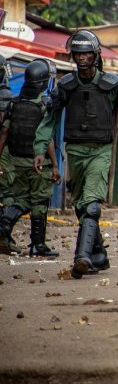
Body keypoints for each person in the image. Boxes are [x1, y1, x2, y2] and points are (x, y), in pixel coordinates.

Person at [33, 30, 118, 279]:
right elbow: (50, 120)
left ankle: (82, 258)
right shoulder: (65, 86)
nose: (82, 58)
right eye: (78, 53)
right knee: (81, 207)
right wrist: (39, 150)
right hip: (74, 151)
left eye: (87, 53)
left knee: (92, 205)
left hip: (100, 150)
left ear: (96, 55)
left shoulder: (112, 86)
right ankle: (99, 256)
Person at [0, 59, 61, 256]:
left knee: (21, 199)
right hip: (38, 162)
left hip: (16, 161)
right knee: (39, 201)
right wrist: (54, 166)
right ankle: (37, 244)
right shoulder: (44, 105)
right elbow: (48, 137)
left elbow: (4, 133)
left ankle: (5, 227)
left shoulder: (14, 103)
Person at [0, 55, 18, 252]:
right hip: (4, 150)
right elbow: (5, 129)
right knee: (8, 193)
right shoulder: (5, 96)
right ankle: (3, 236)